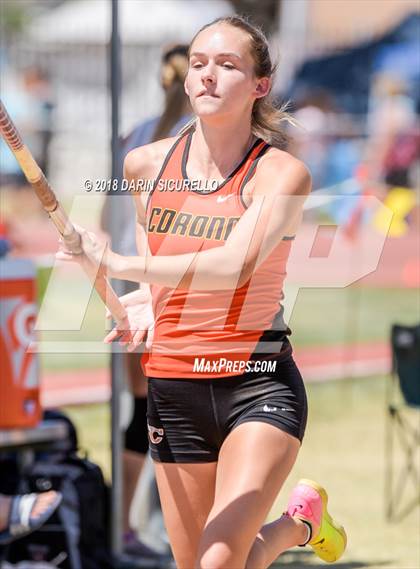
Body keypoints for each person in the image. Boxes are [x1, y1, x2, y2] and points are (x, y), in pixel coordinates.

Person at [58, 16, 347, 569]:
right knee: (205, 564)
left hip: (255, 384)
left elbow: (234, 265)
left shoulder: (282, 174)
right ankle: (300, 524)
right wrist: (144, 300)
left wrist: (115, 261)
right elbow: (163, 265)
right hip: (174, 386)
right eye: (198, 64)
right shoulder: (145, 166)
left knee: (218, 560)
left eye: (227, 65)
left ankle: (293, 525)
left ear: (260, 85)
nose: (208, 76)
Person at [100, 44, 191, 557]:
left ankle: (129, 525)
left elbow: (103, 215)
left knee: (143, 406)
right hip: (171, 285)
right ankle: (170, 527)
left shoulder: (132, 134)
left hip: (129, 281)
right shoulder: (193, 139)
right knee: (182, 403)